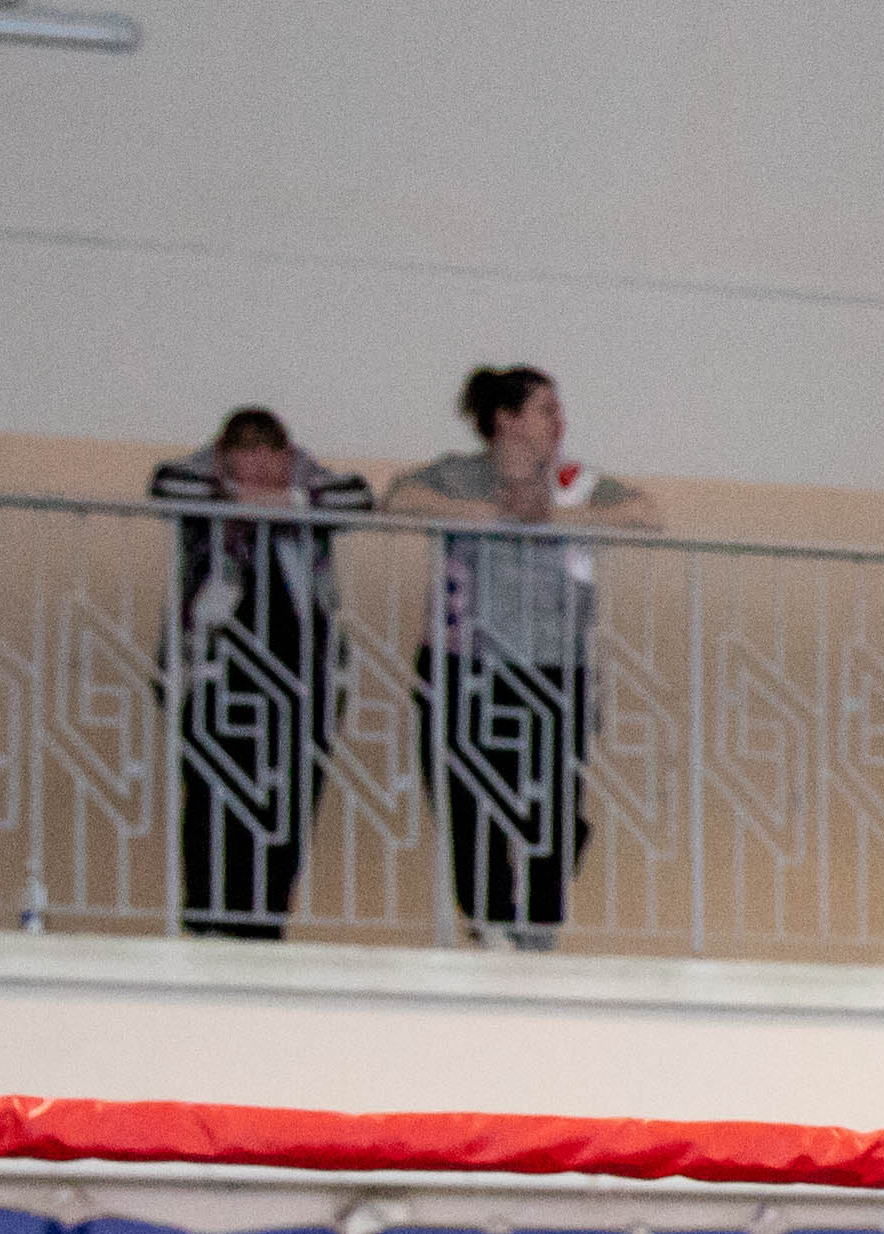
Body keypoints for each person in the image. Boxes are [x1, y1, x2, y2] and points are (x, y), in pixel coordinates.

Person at [380, 365, 657, 944]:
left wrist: (551, 516)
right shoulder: (459, 474)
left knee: (553, 807)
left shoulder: (575, 482)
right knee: (465, 801)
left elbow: (644, 515)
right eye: (545, 409)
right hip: (463, 664)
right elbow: (398, 501)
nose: (560, 421)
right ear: (505, 419)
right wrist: (490, 514)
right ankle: (491, 922)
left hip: (554, 667)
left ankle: (537, 927)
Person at [150, 408, 369, 939]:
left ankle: (266, 923)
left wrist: (286, 503)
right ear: (225, 457)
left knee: (290, 800)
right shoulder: (200, 472)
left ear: (287, 457)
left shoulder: (305, 477)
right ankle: (209, 921)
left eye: (273, 458)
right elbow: (166, 485)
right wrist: (236, 498)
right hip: (214, 670)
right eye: (247, 458)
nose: (263, 469)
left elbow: (358, 498)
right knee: (212, 796)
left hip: (302, 676)